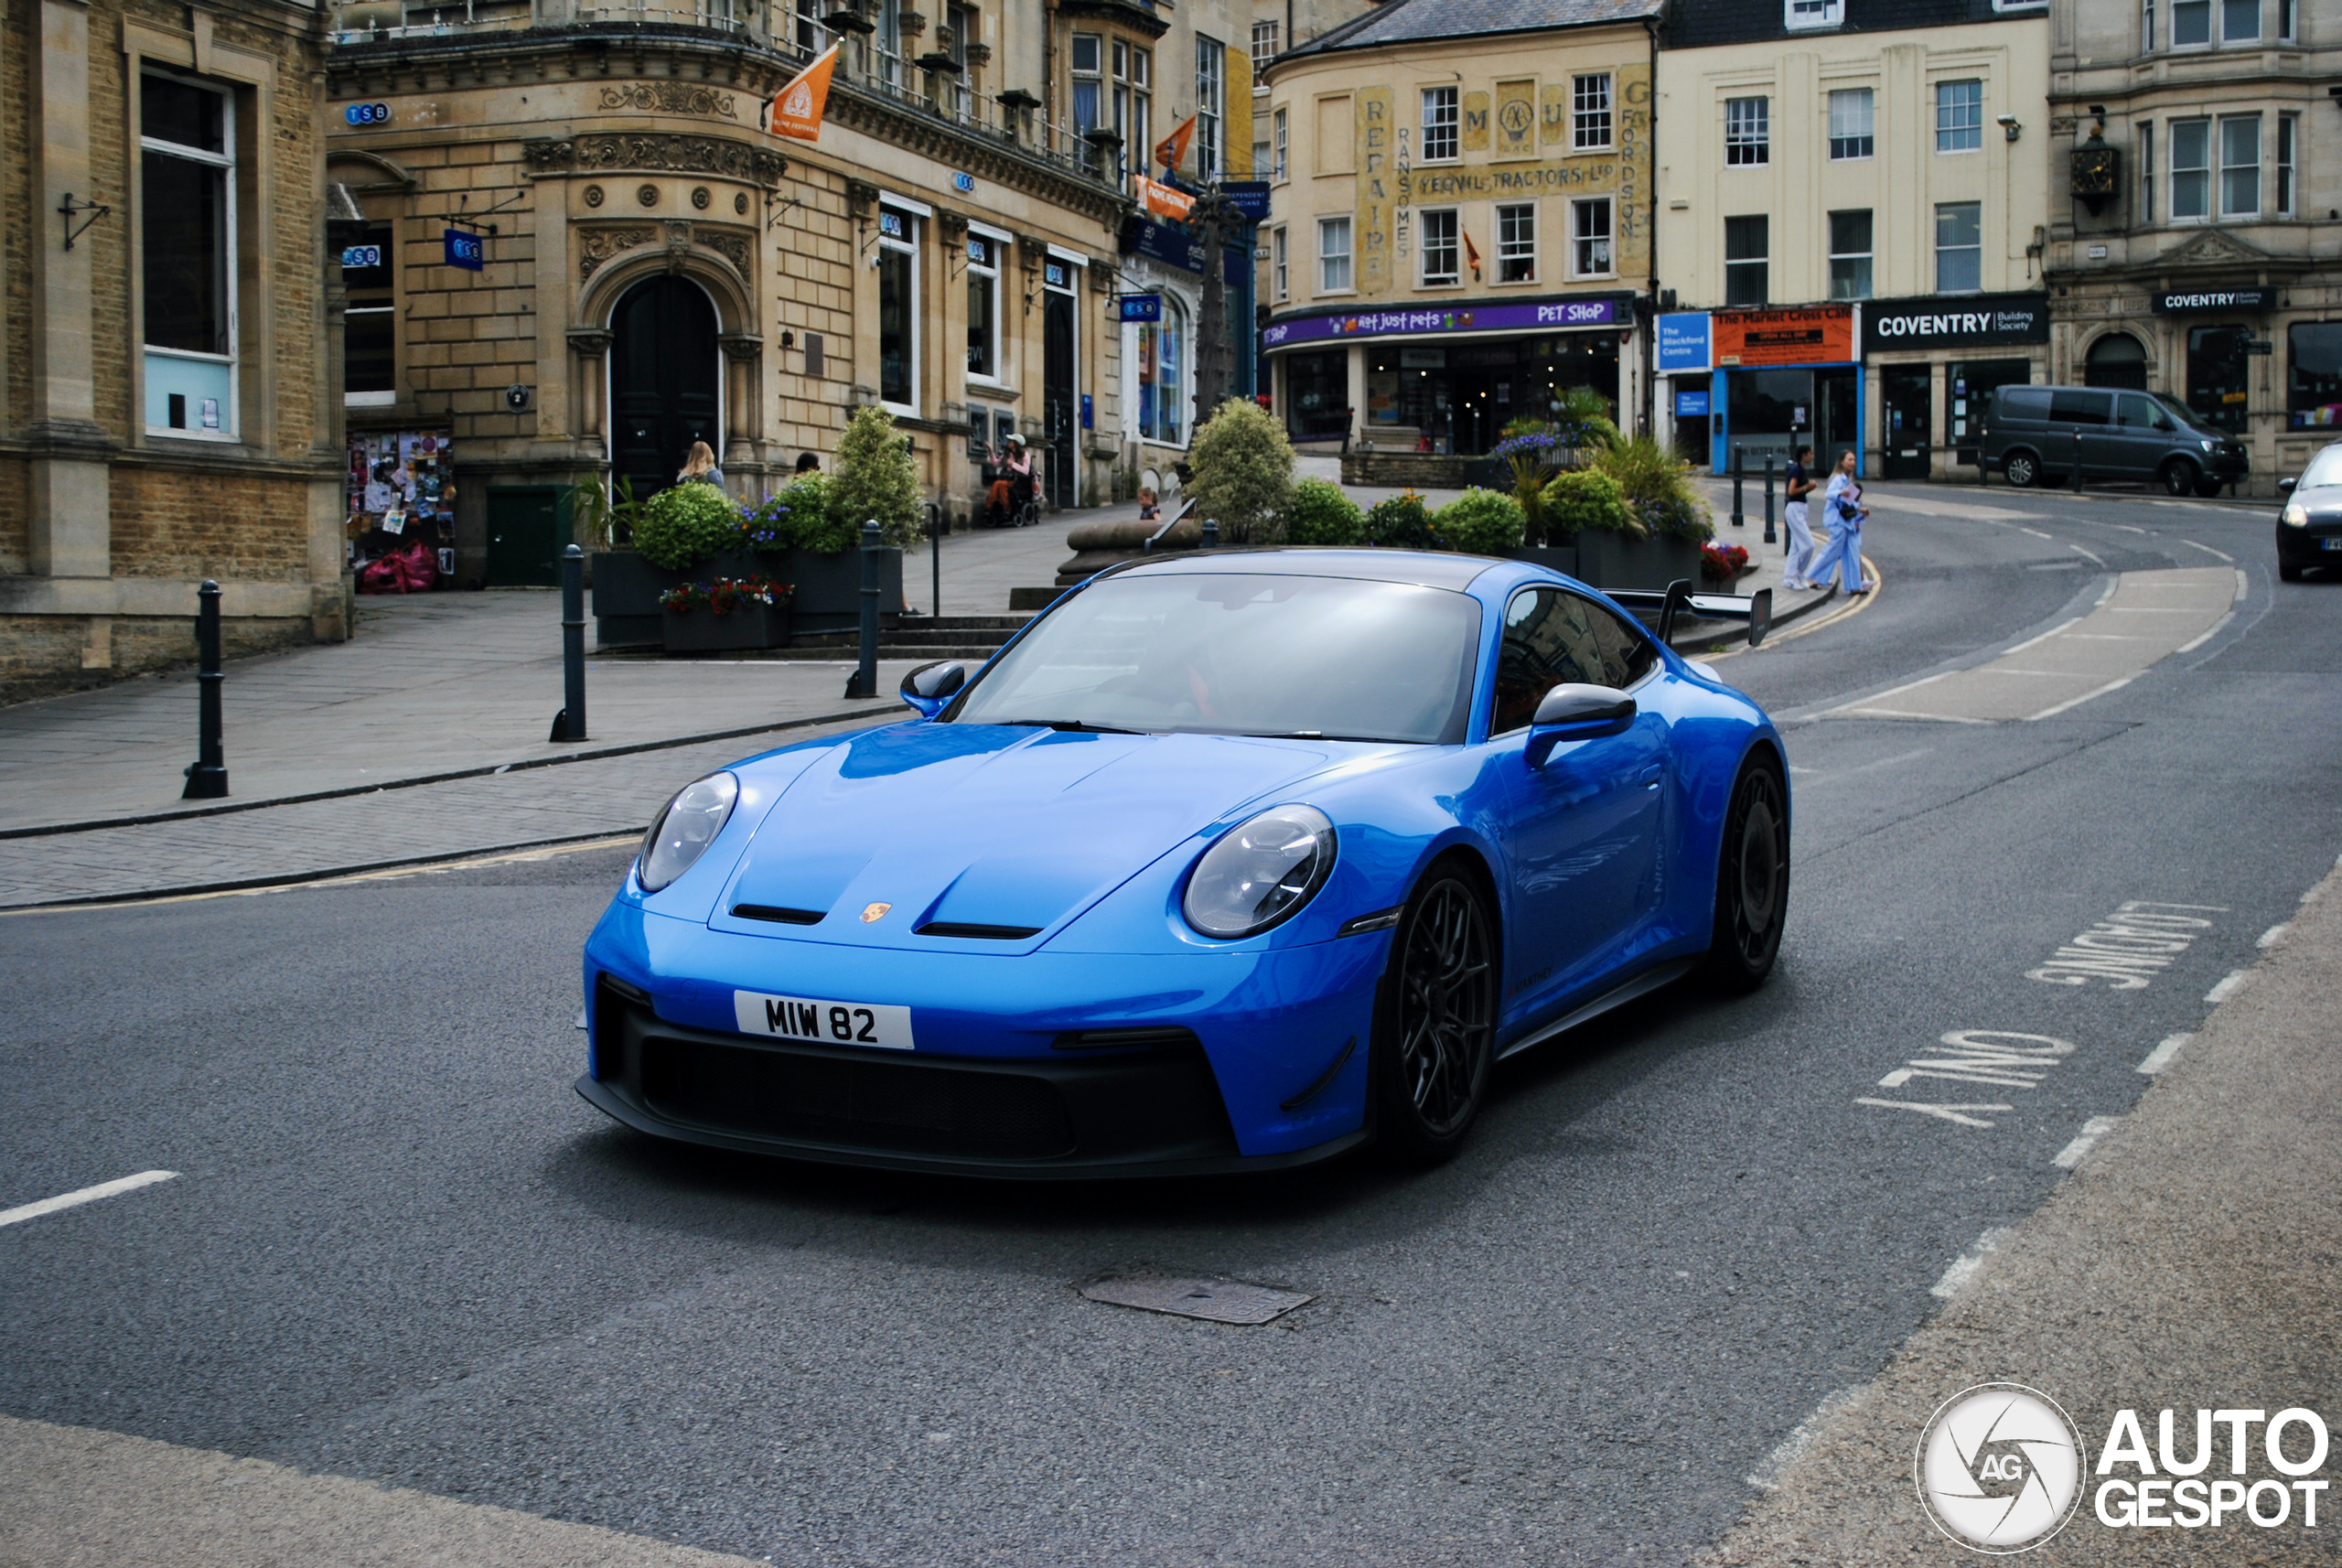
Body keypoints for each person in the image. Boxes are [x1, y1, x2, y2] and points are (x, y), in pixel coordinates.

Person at [1810, 449, 1874, 595]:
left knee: (1852, 552)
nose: (1852, 462)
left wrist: (1861, 510)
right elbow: (1828, 494)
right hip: (1837, 522)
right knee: (1831, 550)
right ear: (1841, 462)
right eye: (1849, 460)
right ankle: (1812, 577)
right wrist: (1840, 492)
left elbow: (1849, 503)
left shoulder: (1847, 480)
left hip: (1848, 522)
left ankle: (1855, 585)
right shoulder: (1837, 479)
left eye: (1853, 460)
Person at [1780, 444, 1818, 591]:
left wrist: (1808, 488)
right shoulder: (1796, 470)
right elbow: (1791, 491)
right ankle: (1798, 573)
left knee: (1795, 546)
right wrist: (1807, 487)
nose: (1812, 456)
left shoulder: (1801, 470)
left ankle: (1790, 577)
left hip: (1800, 509)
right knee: (1809, 545)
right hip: (1794, 509)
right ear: (1804, 455)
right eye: (1810, 454)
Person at [987, 433, 1034, 527]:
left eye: (1011, 441)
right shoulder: (1007, 454)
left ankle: (1002, 506)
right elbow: (996, 463)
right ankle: (992, 506)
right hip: (1006, 478)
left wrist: (1012, 464)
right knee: (998, 484)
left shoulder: (1025, 455)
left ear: (1016, 443)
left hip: (1019, 481)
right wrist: (991, 451)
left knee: (1000, 484)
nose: (1008, 442)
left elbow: (1025, 471)